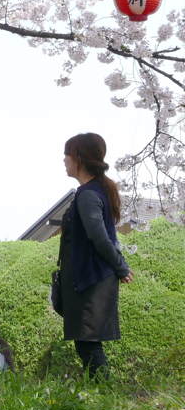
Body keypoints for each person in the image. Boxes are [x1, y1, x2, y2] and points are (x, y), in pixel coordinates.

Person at [58, 132, 133, 377]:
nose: (64, 160)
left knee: (87, 343)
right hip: (91, 278)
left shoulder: (88, 194)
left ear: (78, 157)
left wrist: (121, 267)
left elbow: (99, 237)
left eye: (67, 154)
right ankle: (101, 394)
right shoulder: (94, 190)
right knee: (87, 342)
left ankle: (104, 394)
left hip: (91, 280)